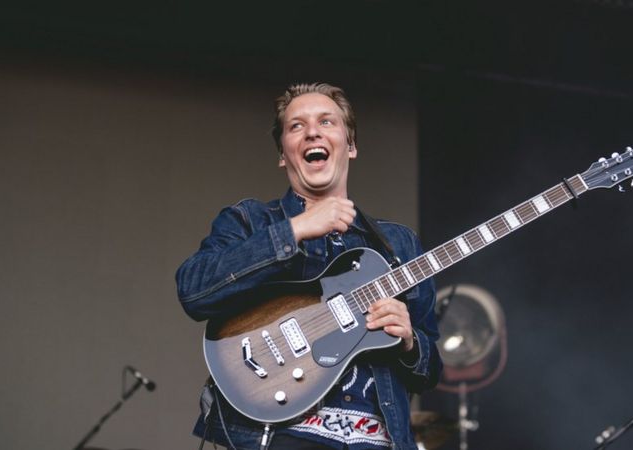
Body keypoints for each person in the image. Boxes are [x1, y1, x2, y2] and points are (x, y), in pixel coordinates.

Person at [176, 82, 442, 449]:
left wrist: (410, 341)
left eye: (326, 122)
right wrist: (293, 230)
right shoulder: (251, 221)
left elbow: (429, 373)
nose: (312, 131)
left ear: (350, 146)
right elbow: (194, 289)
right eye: (296, 126)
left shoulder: (398, 243)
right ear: (284, 154)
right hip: (281, 436)